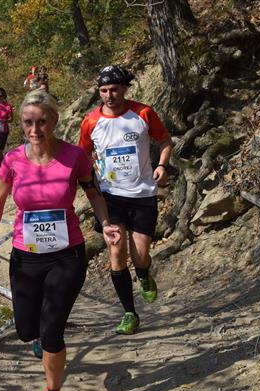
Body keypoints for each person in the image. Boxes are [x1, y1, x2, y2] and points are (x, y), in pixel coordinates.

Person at [0, 90, 120, 391]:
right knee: (26, 330)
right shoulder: (13, 159)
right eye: (28, 122)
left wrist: (105, 223)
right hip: (26, 257)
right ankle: (41, 339)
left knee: (53, 329)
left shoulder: (74, 156)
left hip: (66, 255)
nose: (35, 129)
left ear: (55, 121)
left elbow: (93, 192)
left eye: (42, 122)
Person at [78, 65, 173, 335]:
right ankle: (129, 313)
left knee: (140, 256)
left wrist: (162, 165)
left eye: (114, 89)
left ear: (124, 89)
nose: (109, 95)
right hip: (110, 197)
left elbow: (165, 141)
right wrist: (88, 176)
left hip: (143, 194)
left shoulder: (143, 113)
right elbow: (81, 156)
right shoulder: (90, 122)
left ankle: (143, 274)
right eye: (103, 90)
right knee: (116, 253)